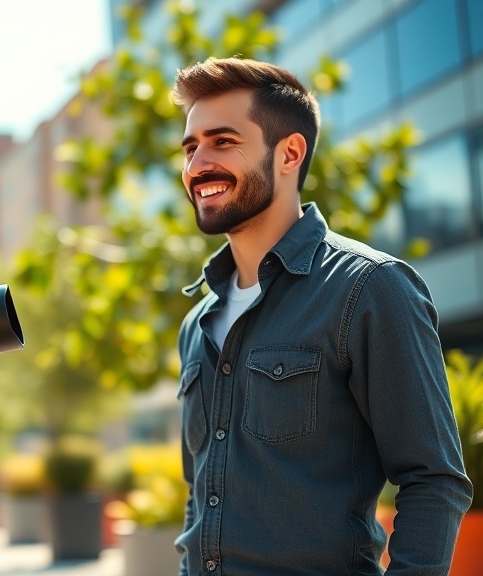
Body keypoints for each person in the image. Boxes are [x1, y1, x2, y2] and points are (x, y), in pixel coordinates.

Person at [171, 57, 472, 574]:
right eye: (191, 146)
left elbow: (433, 480)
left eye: (223, 141)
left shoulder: (370, 289)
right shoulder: (197, 322)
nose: (198, 165)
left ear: (289, 153)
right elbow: (201, 494)